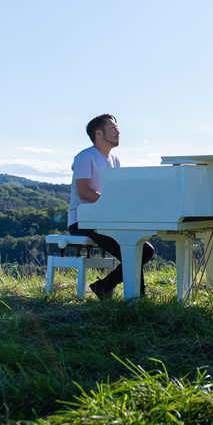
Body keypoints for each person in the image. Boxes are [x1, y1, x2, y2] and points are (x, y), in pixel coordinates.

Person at [68, 113, 155, 299]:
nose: (118, 131)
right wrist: (114, 207)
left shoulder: (115, 161)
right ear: (98, 134)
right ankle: (134, 296)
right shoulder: (84, 157)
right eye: (113, 128)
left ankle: (109, 287)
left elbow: (117, 195)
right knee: (136, 249)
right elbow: (84, 192)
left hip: (105, 220)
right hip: (83, 221)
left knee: (142, 248)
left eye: (117, 128)